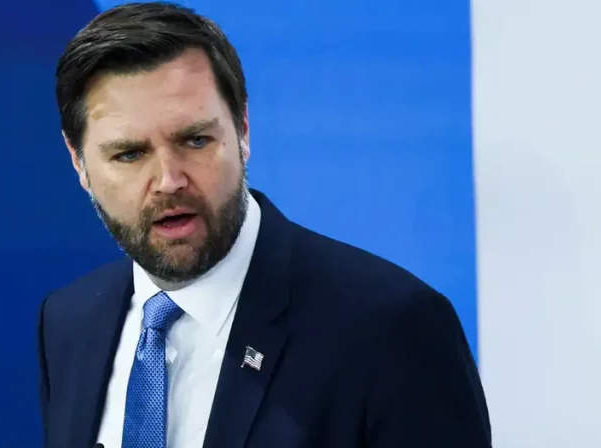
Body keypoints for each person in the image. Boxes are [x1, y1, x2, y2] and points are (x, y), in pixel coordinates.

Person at [37, 2, 491, 447]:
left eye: (195, 140)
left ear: (243, 129)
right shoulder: (69, 323)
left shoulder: (391, 328)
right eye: (130, 154)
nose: (169, 181)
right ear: (79, 162)